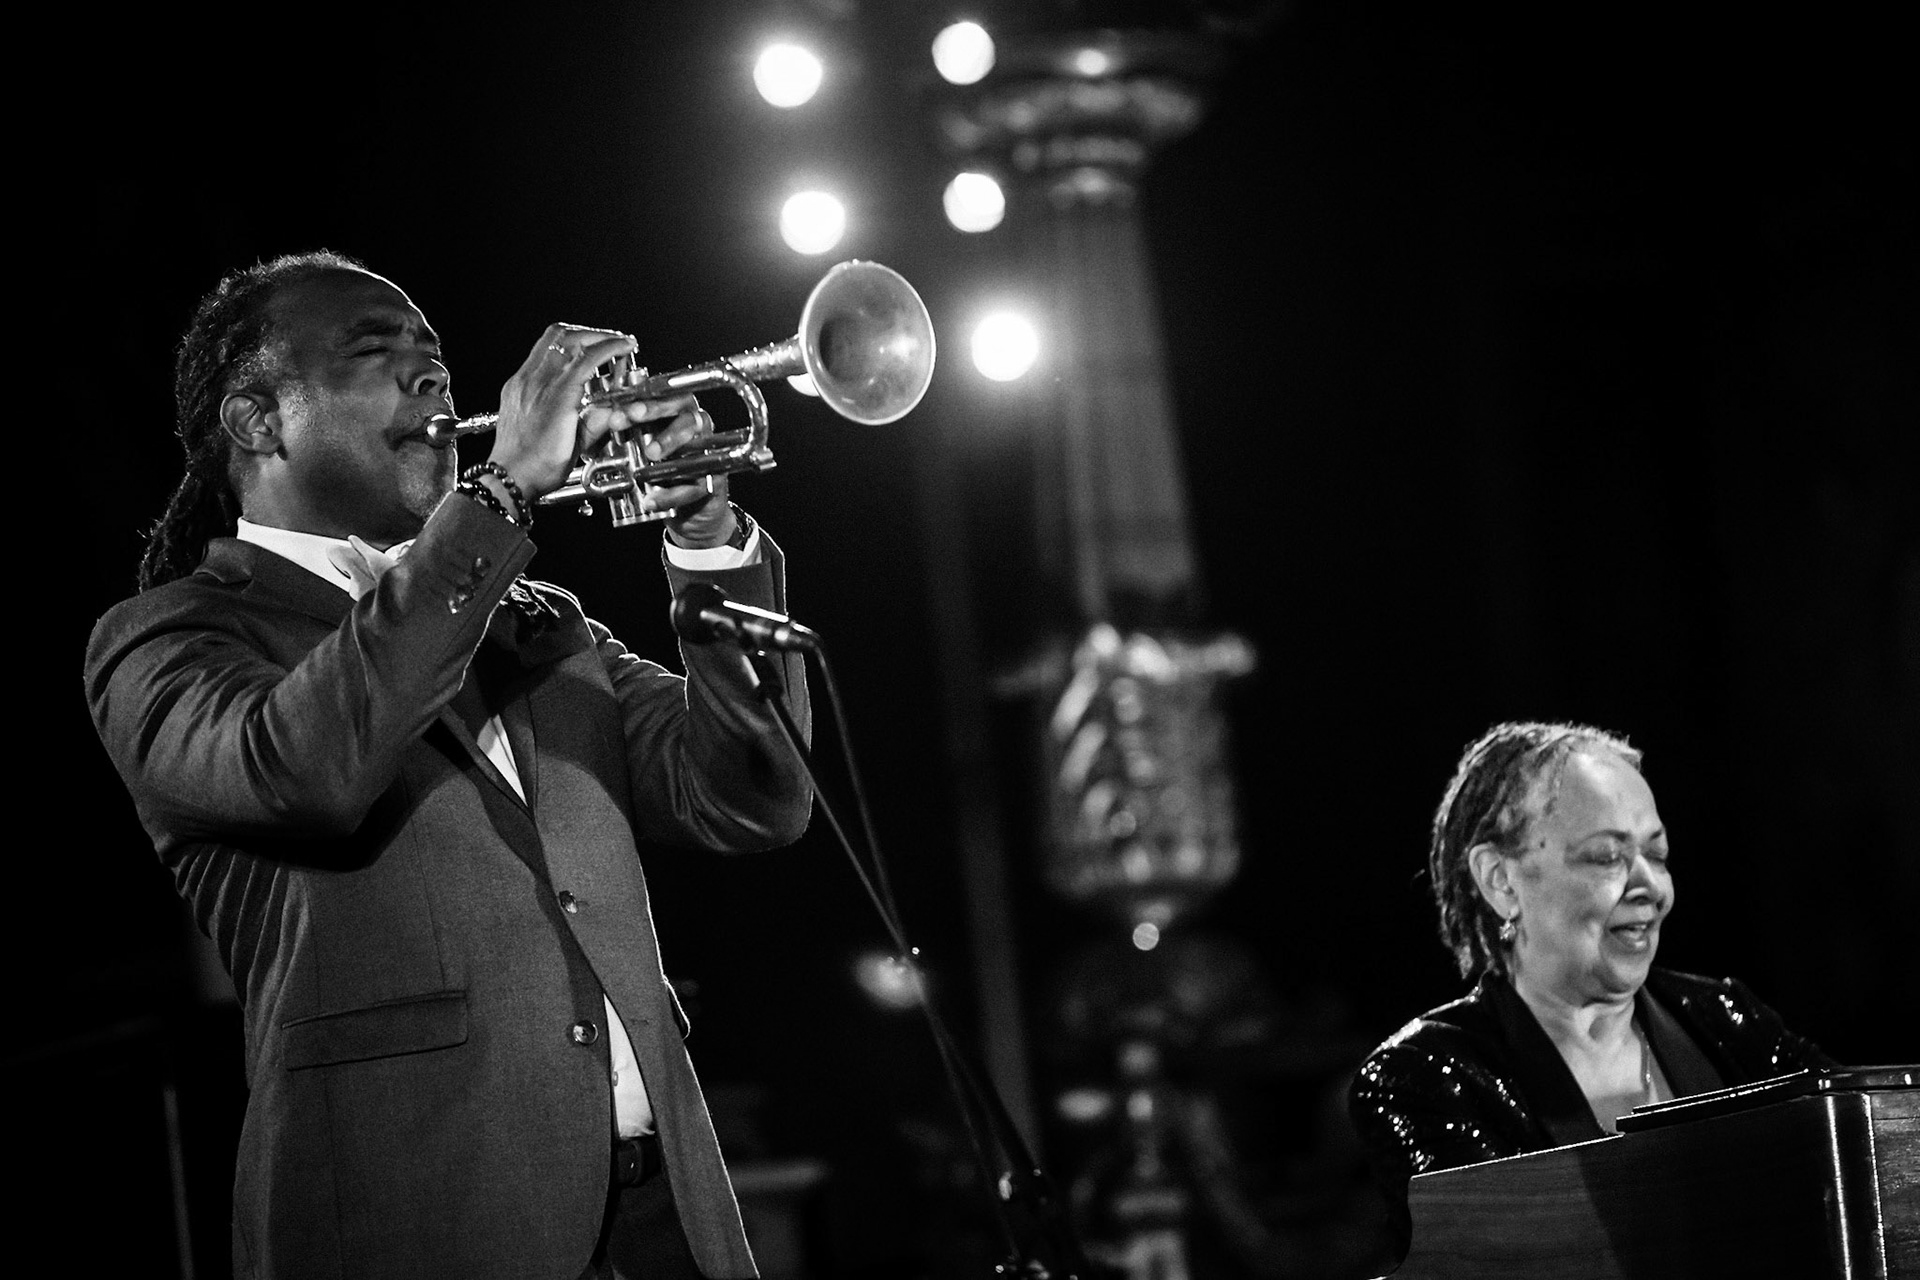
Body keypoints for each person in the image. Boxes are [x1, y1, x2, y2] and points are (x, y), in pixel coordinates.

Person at [85, 250, 813, 1280]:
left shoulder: (538, 625)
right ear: (257, 420)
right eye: (379, 356)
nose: (434, 379)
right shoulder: (168, 637)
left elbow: (752, 799)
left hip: (665, 1225)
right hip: (420, 1227)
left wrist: (704, 531)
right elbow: (306, 770)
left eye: (434, 358)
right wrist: (504, 494)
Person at [1348, 721, 1830, 1254]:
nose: (1650, 887)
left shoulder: (1729, 1020)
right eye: (1607, 857)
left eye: (1659, 855)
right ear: (1500, 881)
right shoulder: (1427, 1078)